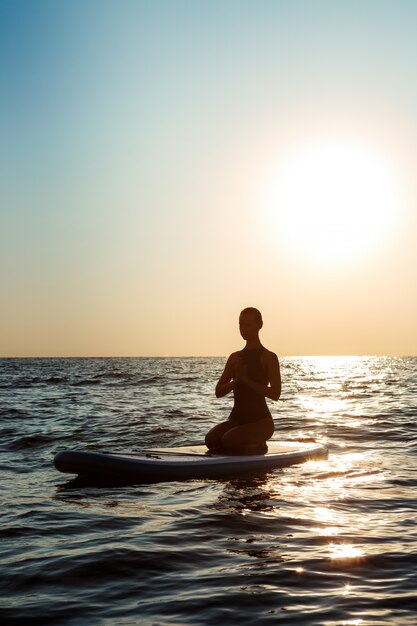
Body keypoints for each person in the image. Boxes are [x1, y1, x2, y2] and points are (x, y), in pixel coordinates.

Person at [205, 307, 281, 455]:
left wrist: (246, 379)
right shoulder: (235, 357)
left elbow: (275, 394)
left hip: (261, 422)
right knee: (211, 440)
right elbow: (218, 391)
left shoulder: (268, 357)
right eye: (240, 324)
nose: (243, 329)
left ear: (260, 325)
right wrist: (236, 381)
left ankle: (258, 445)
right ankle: (241, 447)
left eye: (247, 325)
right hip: (237, 420)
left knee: (228, 440)